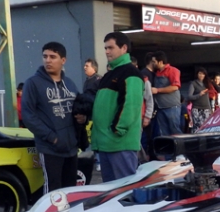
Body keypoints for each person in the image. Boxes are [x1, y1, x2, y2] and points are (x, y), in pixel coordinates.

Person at [22, 42, 83, 193]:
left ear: (63, 60)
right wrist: (52, 138)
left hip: (71, 147)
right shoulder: (33, 83)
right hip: (50, 148)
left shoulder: (70, 84)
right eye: (45, 56)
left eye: (53, 57)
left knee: (70, 190)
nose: (48, 60)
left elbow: (78, 110)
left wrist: (82, 119)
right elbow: (28, 116)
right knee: (53, 192)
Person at [91, 32, 144, 182]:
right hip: (107, 143)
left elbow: (131, 105)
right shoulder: (109, 75)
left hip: (120, 144)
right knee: (112, 194)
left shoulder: (131, 73)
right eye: (105, 48)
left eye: (110, 47)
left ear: (124, 48)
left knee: (125, 193)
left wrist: (117, 129)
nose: (107, 51)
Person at [150, 50, 183, 136]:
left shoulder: (173, 70)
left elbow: (175, 87)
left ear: (160, 62)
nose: (153, 63)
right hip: (160, 108)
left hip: (172, 106)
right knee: (163, 132)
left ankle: (180, 149)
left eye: (154, 61)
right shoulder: (157, 72)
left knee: (175, 130)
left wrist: (157, 90)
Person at [186, 67, 213, 132]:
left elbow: (207, 98)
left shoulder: (206, 84)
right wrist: (199, 94)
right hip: (196, 108)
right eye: (200, 73)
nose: (201, 75)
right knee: (197, 127)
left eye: (203, 74)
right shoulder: (193, 83)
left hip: (206, 109)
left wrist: (210, 109)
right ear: (197, 74)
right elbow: (189, 97)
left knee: (206, 126)